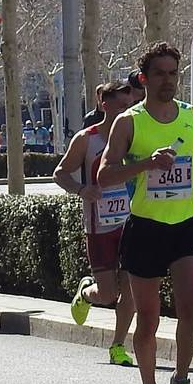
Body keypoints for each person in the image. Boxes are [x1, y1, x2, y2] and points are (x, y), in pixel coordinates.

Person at [97, 41, 193, 384]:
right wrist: (147, 164)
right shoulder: (130, 122)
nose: (168, 81)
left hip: (186, 224)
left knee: (189, 306)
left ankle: (181, 379)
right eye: (159, 74)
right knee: (148, 318)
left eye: (173, 73)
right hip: (146, 227)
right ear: (144, 78)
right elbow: (104, 174)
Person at [53, 80, 137, 367]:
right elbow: (60, 173)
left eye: (131, 106)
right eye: (122, 106)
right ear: (105, 105)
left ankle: (118, 346)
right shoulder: (87, 139)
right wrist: (81, 190)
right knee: (109, 293)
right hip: (99, 224)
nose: (127, 112)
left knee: (132, 288)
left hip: (133, 222)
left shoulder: (135, 136)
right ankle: (88, 293)